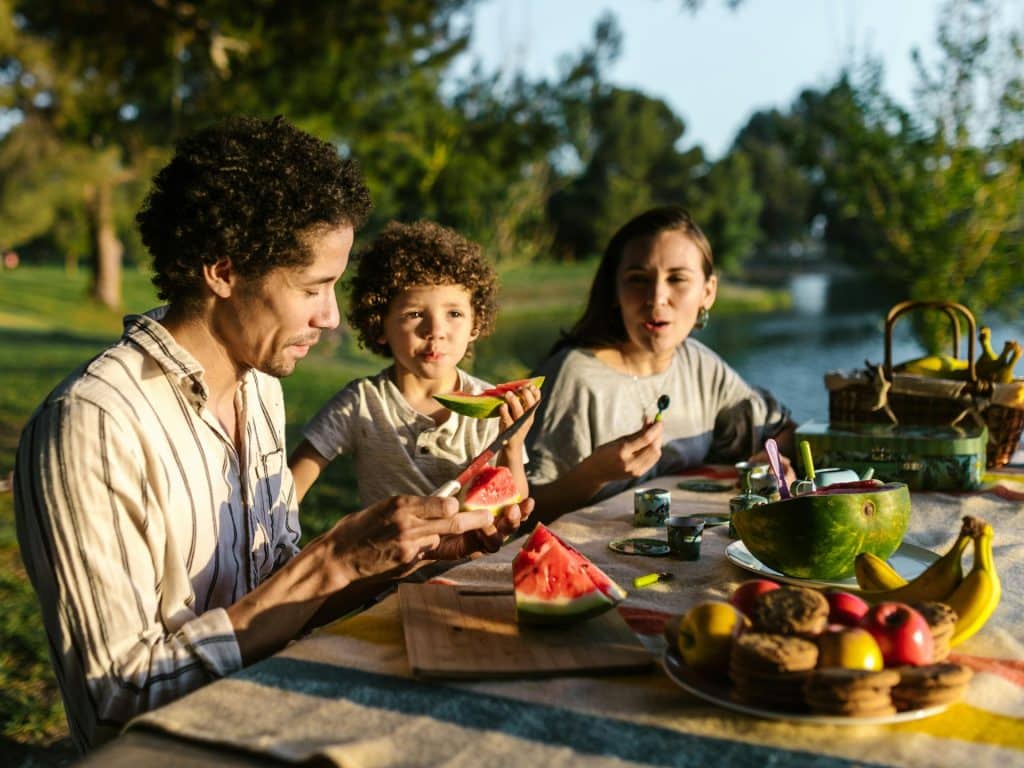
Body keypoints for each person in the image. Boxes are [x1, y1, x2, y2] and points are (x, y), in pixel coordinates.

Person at [13, 116, 532, 752]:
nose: (333, 314)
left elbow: (275, 606)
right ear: (224, 272)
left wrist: (403, 558)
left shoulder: (260, 385)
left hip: (276, 727)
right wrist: (330, 562)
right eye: (314, 287)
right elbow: (114, 702)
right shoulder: (91, 427)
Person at [526, 205, 795, 522]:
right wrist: (594, 475)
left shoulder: (698, 364)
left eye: (677, 279)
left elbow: (779, 429)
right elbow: (521, 513)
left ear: (708, 293)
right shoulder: (573, 376)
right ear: (615, 290)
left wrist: (775, 460)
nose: (656, 298)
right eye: (638, 279)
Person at [289, 220, 539, 506]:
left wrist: (513, 444)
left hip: (471, 552)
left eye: (454, 314)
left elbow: (513, 503)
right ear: (379, 325)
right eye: (415, 314)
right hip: (385, 551)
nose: (436, 330)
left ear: (475, 325)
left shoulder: (491, 409)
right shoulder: (360, 403)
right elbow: (291, 487)